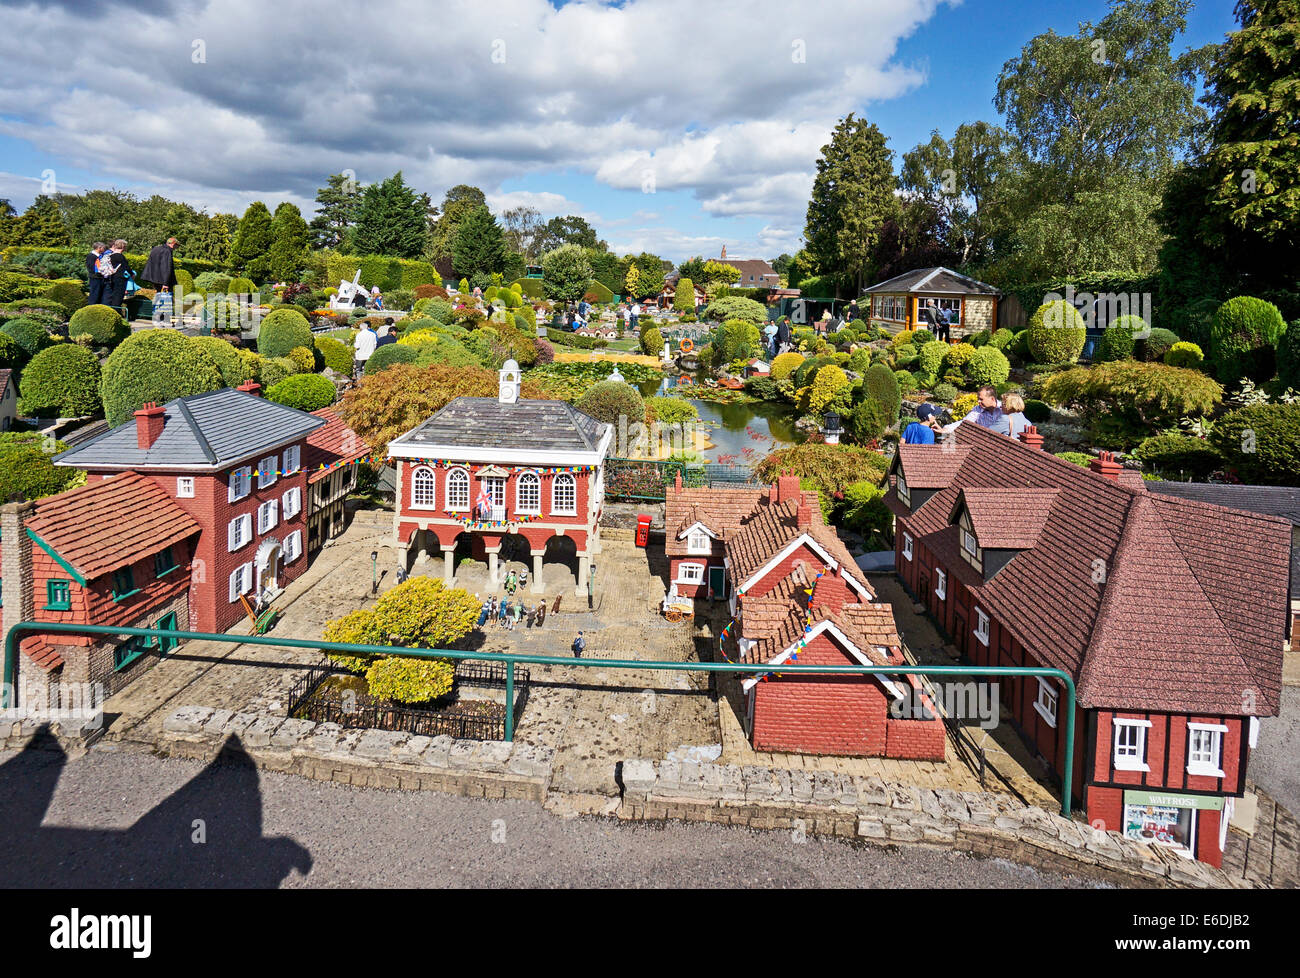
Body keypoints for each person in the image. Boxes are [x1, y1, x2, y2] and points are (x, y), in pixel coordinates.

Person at [101, 240, 131, 313]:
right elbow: (126, 268)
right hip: (120, 279)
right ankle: (116, 313)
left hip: (110, 278)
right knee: (118, 297)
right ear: (123, 247)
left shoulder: (110, 256)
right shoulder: (120, 257)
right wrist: (132, 274)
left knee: (110, 296)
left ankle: (108, 311)